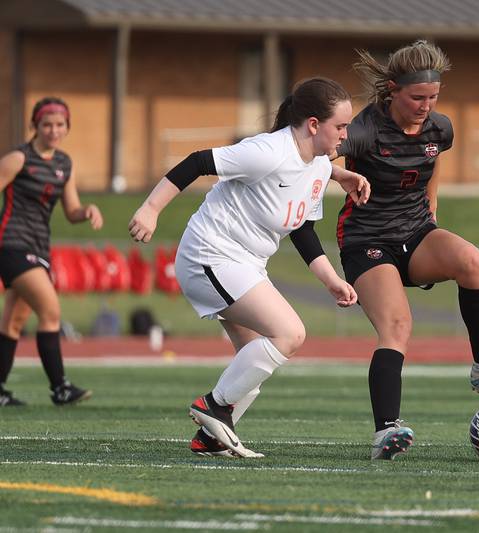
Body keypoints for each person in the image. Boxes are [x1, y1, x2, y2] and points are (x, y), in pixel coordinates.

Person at [128, 77, 369, 458]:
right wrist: (151, 209)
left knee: (254, 354)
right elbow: (198, 162)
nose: (346, 134)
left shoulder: (320, 167)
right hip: (209, 255)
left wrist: (332, 281)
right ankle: (213, 406)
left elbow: (302, 229)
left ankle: (210, 438)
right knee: (290, 333)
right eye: (340, 126)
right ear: (312, 124)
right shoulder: (268, 151)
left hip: (244, 264)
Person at [333, 40, 479, 461]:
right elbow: (316, 154)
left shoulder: (441, 127)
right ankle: (386, 431)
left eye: (433, 97)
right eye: (417, 97)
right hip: (367, 240)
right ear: (393, 90)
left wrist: (432, 209)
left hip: (416, 233)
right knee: (398, 325)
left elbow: (432, 163)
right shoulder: (364, 129)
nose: (425, 106)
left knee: (473, 262)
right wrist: (339, 174)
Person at [0, 96, 103, 406]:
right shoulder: (18, 159)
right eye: (47, 124)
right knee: (50, 311)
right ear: (35, 126)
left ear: (67, 127)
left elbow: (71, 210)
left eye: (60, 125)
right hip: (12, 245)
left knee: (13, 322)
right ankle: (60, 387)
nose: (53, 130)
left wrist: (87, 210)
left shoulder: (64, 164)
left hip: (39, 247)